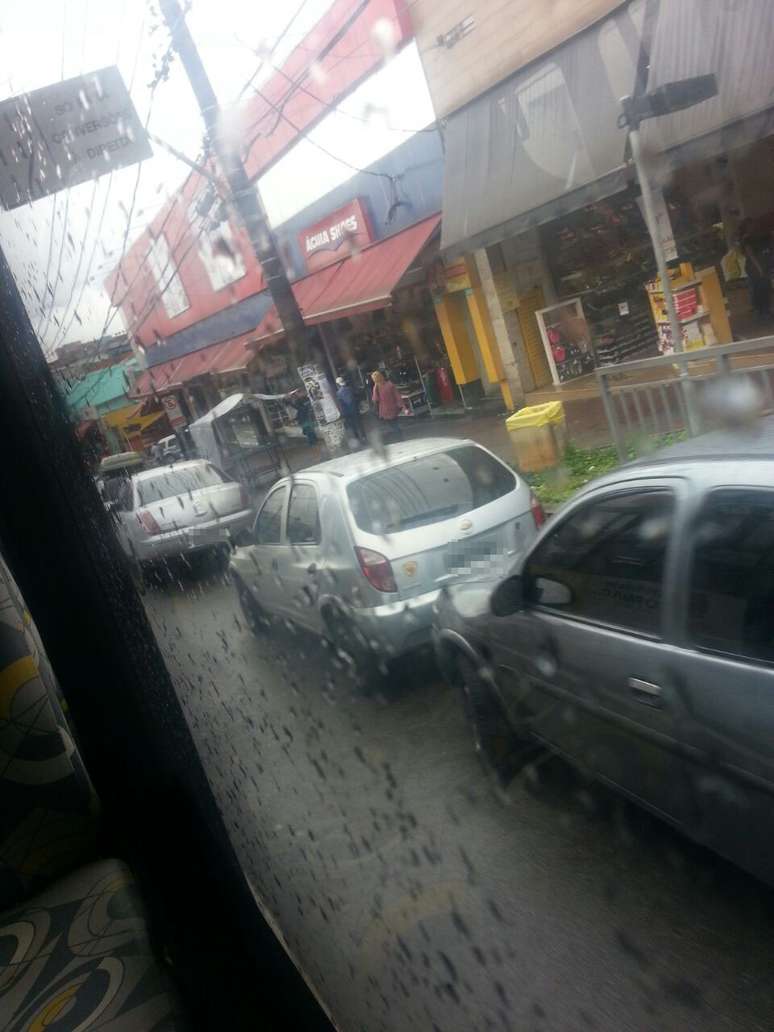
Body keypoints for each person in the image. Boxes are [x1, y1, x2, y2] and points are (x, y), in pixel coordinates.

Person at [371, 370, 407, 440]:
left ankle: (398, 435)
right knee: (395, 422)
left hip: (385, 410)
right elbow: (397, 396)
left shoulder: (376, 387)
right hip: (393, 408)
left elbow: (375, 399)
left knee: (391, 424)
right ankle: (399, 435)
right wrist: (403, 407)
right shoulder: (390, 384)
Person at [335, 376, 365, 444]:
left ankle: (357, 438)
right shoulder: (350, 389)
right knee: (359, 423)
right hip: (355, 409)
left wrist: (342, 413)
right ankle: (363, 436)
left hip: (347, 412)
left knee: (352, 425)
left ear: (338, 384)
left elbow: (341, 404)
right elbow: (357, 397)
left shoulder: (338, 393)